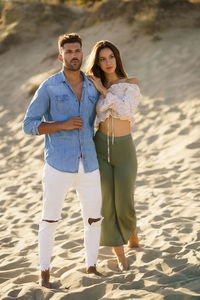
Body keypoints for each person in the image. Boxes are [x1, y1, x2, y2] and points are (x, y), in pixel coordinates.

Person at [23, 33, 103, 288]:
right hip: (58, 164)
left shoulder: (92, 85)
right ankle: (44, 272)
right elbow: (28, 125)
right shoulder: (49, 86)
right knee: (50, 220)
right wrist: (61, 125)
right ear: (61, 56)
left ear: (82, 53)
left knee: (94, 219)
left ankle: (91, 266)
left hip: (89, 163)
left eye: (77, 50)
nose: (74, 55)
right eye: (68, 52)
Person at [86, 40, 141, 271]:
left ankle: (134, 239)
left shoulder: (131, 83)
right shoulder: (92, 86)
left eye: (111, 57)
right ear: (97, 62)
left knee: (124, 202)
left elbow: (125, 110)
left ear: (117, 58)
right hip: (100, 148)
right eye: (102, 59)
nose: (107, 62)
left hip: (124, 149)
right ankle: (121, 257)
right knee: (107, 202)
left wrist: (103, 90)